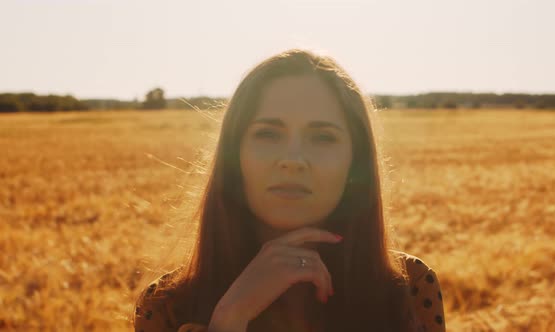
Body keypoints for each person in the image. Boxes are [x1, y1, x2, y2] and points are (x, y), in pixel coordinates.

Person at [133, 49, 445, 332]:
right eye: (268, 134)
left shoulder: (408, 287)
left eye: (323, 138)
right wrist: (229, 318)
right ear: (234, 156)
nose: (293, 161)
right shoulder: (166, 306)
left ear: (355, 162)